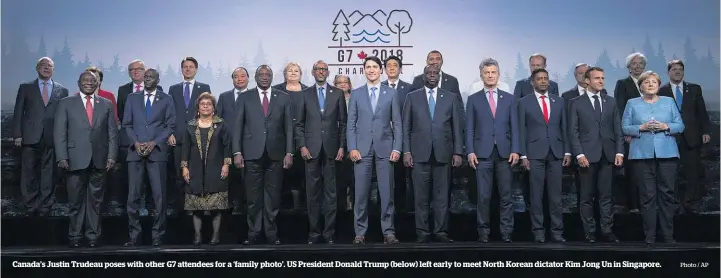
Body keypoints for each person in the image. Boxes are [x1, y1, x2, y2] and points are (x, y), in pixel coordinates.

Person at [54, 70, 117, 248]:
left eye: (93, 80)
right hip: (73, 160)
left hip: (99, 161)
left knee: (96, 203)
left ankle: (93, 237)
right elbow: (60, 133)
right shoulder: (66, 103)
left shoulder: (106, 104)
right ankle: (75, 236)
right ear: (78, 83)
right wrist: (61, 156)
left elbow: (112, 132)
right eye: (85, 80)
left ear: (98, 83)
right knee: (75, 202)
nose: (89, 82)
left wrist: (112, 155)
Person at [232, 65, 294, 245]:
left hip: (276, 154)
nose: (265, 77)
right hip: (251, 153)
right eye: (262, 74)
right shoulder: (245, 97)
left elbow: (289, 128)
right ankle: (253, 233)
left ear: (272, 77)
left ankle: (271, 233)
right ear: (256, 77)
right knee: (253, 198)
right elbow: (238, 127)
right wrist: (237, 152)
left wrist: (289, 152)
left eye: (268, 74)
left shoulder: (283, 97)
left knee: (273, 197)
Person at [622, 71, 684, 245]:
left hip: (667, 154)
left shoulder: (668, 102)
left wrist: (666, 126)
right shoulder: (632, 103)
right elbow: (625, 127)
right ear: (640, 86)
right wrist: (640, 127)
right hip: (642, 155)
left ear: (658, 85)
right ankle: (650, 236)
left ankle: (668, 235)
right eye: (646, 82)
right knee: (647, 196)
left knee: (667, 195)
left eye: (654, 82)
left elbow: (680, 125)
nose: (650, 84)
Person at [402, 64, 462, 243]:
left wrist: (458, 152)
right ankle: (422, 232)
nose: (432, 76)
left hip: (444, 154)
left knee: (441, 196)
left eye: (436, 73)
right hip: (419, 154)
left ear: (439, 76)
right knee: (420, 197)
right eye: (429, 73)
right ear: (423, 76)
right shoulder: (412, 97)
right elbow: (405, 127)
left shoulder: (450, 97)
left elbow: (457, 127)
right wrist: (406, 151)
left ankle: (441, 232)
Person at [347, 56, 402, 244]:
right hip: (361, 150)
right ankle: (360, 233)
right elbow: (351, 125)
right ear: (364, 70)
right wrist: (352, 147)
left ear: (381, 70)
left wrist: (397, 147)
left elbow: (398, 123)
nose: (371, 70)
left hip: (385, 149)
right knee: (360, 194)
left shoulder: (391, 93)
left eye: (374, 67)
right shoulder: (356, 93)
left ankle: (388, 232)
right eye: (368, 67)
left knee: (387, 194)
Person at [466, 58, 519, 243]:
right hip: (482, 154)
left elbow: (515, 127)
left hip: (505, 153)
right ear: (481, 75)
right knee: (484, 196)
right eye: (487, 72)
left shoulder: (509, 98)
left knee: (506, 196)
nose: (490, 75)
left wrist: (516, 150)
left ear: (498, 74)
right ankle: (483, 232)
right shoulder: (473, 99)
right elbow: (470, 128)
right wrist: (470, 151)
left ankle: (506, 233)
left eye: (493, 72)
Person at [567, 67, 623, 243]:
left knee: (606, 196)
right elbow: (573, 132)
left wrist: (620, 151)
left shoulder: (611, 102)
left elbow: (617, 129)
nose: (601, 81)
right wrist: (579, 154)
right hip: (586, 156)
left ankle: (607, 230)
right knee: (586, 197)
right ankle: (589, 232)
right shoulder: (576, 102)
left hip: (607, 155)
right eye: (597, 78)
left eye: (603, 78)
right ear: (587, 81)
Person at [122, 68, 176, 247]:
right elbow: (127, 124)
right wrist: (136, 143)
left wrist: (154, 143)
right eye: (145, 76)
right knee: (133, 197)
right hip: (135, 152)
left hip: (157, 153)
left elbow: (170, 125)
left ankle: (157, 236)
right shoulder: (132, 98)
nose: (147, 79)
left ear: (158, 79)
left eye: (151, 77)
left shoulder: (166, 99)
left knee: (159, 197)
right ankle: (134, 236)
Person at [295, 60, 347, 244]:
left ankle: (329, 234)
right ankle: (314, 233)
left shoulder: (338, 93)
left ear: (328, 72)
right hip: (311, 150)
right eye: (318, 69)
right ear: (313, 71)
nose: (321, 72)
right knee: (313, 194)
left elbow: (344, 123)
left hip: (333, 150)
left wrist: (342, 146)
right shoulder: (305, 94)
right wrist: (302, 145)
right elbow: (299, 124)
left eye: (324, 69)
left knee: (331, 194)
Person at [518, 68, 571, 243]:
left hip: (556, 153)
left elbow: (565, 128)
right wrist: (523, 155)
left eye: (545, 78)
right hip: (534, 154)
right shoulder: (524, 102)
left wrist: (567, 151)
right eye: (539, 79)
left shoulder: (560, 101)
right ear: (532, 82)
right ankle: (538, 231)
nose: (543, 81)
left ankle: (557, 232)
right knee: (536, 196)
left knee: (556, 196)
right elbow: (521, 130)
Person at [12, 57, 69, 217]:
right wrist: (17, 134)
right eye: (43, 65)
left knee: (49, 174)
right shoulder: (26, 87)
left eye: (49, 66)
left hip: (52, 137)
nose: (46, 68)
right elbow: (18, 112)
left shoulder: (62, 90)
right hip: (30, 137)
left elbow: (64, 116)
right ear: (37, 68)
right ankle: (30, 204)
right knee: (29, 172)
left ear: (53, 69)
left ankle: (46, 205)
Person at [659, 60, 713, 213]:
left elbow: (701, 112)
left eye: (680, 69)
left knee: (693, 172)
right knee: (672, 172)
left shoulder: (694, 89)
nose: (677, 72)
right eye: (674, 69)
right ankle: (674, 204)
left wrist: (706, 132)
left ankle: (690, 203)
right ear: (668, 72)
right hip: (670, 137)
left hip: (692, 136)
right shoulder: (661, 91)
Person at [180, 92, 231, 245]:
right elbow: (185, 149)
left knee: (216, 207)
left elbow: (227, 145)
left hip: (216, 169)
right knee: (196, 207)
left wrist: (226, 164)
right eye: (203, 104)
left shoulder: (221, 124)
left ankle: (215, 236)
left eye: (209, 104)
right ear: (198, 108)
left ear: (213, 108)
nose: (206, 106)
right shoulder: (190, 125)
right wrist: (184, 167)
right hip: (195, 170)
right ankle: (197, 236)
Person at [168, 57, 212, 216]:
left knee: (198, 174)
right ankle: (181, 209)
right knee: (179, 175)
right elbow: (169, 113)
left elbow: (209, 113)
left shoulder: (204, 87)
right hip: (178, 138)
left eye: (191, 67)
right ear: (182, 70)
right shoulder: (173, 89)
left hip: (199, 137)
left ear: (196, 69)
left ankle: (199, 208)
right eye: (185, 67)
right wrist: (170, 133)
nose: (188, 69)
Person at [273, 62, 309, 212]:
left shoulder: (308, 91)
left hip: (303, 136)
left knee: (301, 173)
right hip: (281, 136)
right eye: (290, 71)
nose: (293, 73)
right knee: (281, 173)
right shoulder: (276, 90)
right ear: (285, 74)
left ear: (301, 74)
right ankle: (283, 206)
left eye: (296, 71)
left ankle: (301, 206)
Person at [614, 52, 647, 213]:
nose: (638, 66)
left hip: (649, 134)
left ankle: (647, 204)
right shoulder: (622, 84)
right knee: (633, 171)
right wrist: (625, 131)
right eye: (634, 63)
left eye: (641, 63)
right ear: (628, 67)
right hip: (631, 135)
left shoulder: (651, 83)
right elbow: (620, 109)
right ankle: (634, 205)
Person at [382, 56, 414, 213]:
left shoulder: (410, 88)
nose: (392, 68)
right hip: (382, 138)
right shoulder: (378, 87)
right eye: (389, 65)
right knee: (384, 179)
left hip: (403, 139)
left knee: (401, 178)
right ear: (385, 69)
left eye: (395, 65)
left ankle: (401, 213)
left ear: (401, 69)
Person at [217, 67, 250, 214]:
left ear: (248, 78)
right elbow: (218, 120)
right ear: (232, 80)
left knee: (247, 176)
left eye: (243, 76)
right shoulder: (224, 97)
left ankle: (245, 203)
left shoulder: (254, 96)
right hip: (227, 143)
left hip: (249, 142)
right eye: (236, 76)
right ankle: (230, 203)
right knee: (230, 175)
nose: (240, 79)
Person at [334, 74, 355, 211]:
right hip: (337, 143)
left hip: (354, 144)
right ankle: (341, 207)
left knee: (354, 179)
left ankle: (353, 205)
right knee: (339, 179)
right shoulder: (332, 99)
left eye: (345, 82)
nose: (342, 85)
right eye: (339, 83)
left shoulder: (355, 98)